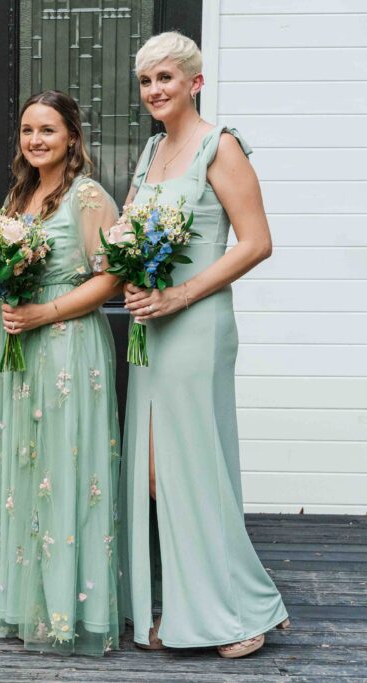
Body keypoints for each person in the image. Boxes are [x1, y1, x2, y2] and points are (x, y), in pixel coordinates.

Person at [120, 31, 288, 658]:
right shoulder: (150, 150)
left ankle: (241, 612)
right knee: (160, 472)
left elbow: (255, 242)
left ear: (195, 82)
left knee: (195, 470)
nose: (154, 91)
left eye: (165, 78)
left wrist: (178, 296)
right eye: (145, 81)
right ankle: (194, 603)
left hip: (195, 323)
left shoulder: (222, 146)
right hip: (150, 326)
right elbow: (128, 231)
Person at [0, 90, 123, 656]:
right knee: (23, 464)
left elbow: (110, 277)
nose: (35, 140)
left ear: (72, 135)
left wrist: (46, 310)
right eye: (27, 130)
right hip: (17, 343)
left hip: (67, 342)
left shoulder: (89, 196)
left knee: (64, 467)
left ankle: (70, 609)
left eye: (47, 130)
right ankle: (23, 605)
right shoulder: (18, 194)